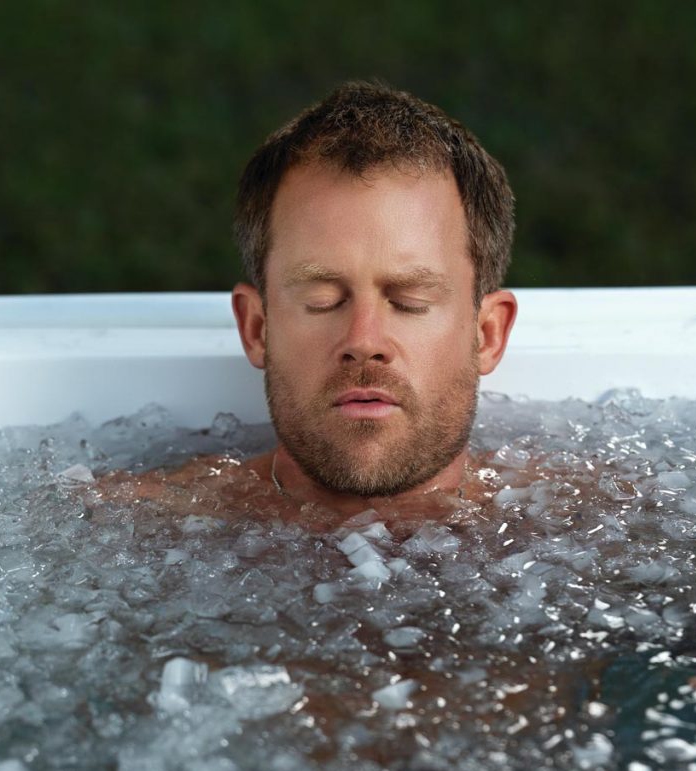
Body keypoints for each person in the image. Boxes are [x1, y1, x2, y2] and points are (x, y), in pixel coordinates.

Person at [98, 80, 518, 524]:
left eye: (409, 301)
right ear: (257, 329)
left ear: (487, 335)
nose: (364, 339)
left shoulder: (587, 518)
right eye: (322, 300)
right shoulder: (136, 521)